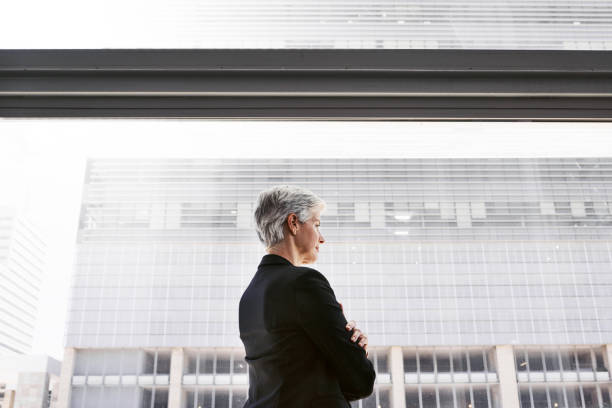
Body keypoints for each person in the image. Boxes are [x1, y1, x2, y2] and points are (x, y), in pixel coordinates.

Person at [239, 185, 376, 408]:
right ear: (293, 223)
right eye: (316, 224)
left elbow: (287, 380)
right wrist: (356, 350)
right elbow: (361, 382)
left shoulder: (249, 296)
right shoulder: (305, 283)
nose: (321, 238)